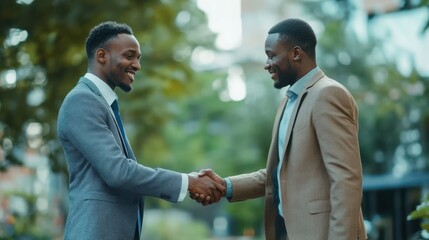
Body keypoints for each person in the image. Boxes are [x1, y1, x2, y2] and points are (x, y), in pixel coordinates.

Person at [192, 18, 367, 240]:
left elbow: (346, 180)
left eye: (272, 55)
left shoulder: (328, 94)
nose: (267, 64)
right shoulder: (288, 102)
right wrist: (226, 186)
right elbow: (281, 173)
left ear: (296, 54)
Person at [57, 21, 225, 240]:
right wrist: (188, 181)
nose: (137, 65)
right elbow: (118, 172)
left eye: (138, 58)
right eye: (129, 56)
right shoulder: (82, 101)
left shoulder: (101, 103)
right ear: (101, 56)